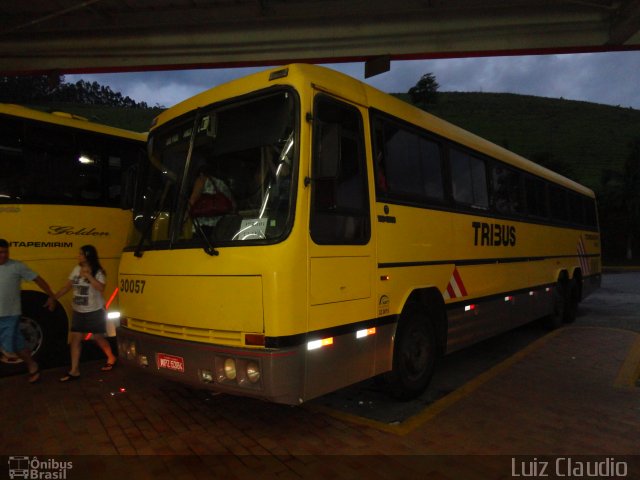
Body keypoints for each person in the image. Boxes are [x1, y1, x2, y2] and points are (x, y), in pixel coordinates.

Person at [53, 245, 117, 382]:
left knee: (98, 338)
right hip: (78, 311)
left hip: (94, 311)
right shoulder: (76, 269)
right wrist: (54, 297)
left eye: (81, 254)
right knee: (75, 339)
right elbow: (67, 286)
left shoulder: (98, 271)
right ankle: (74, 370)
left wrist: (88, 275)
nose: (78, 256)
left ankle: (111, 356)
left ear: (88, 256)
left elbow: (101, 288)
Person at [0, 238, 56, 383]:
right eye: (0, 253)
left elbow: (37, 279)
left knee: (10, 347)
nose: (3, 255)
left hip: (11, 315)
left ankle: (32, 365)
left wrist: (51, 295)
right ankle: (33, 365)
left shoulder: (17, 266)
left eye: (6, 252)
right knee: (17, 345)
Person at [188, 164, 236, 235]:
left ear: (201, 173)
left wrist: (185, 216)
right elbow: (233, 205)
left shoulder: (202, 179)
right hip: (220, 226)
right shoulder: (222, 183)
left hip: (203, 226)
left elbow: (193, 199)